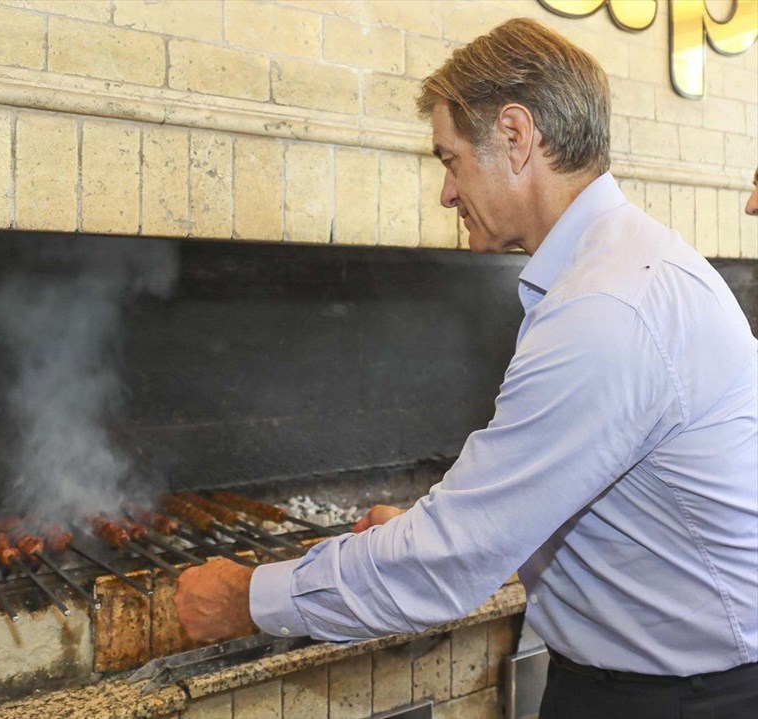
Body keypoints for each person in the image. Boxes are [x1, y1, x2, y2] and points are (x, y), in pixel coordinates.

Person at [174, 18, 758, 719]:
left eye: (449, 160)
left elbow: (448, 562)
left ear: (515, 136)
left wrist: (246, 598)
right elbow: (559, 496)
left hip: (681, 702)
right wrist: (446, 525)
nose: (446, 194)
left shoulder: (606, 309)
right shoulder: (624, 267)